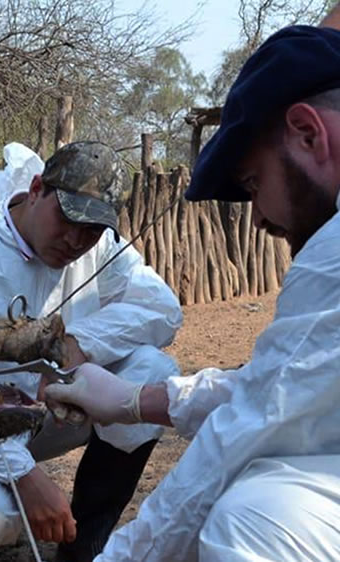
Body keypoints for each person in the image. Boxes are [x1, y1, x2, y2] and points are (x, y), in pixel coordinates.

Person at [44, 23, 340, 562]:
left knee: (257, 520)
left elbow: (253, 426)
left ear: (307, 132)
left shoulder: (335, 254)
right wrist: (136, 402)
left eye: (252, 184)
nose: (261, 221)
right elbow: (285, 389)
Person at [0, 141, 183, 562]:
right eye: (67, 218)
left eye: (91, 229)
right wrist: (23, 474)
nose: (76, 240)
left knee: (152, 370)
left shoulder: (103, 249)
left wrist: (78, 343)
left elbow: (162, 308)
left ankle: (83, 545)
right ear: (37, 188)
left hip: (49, 414)